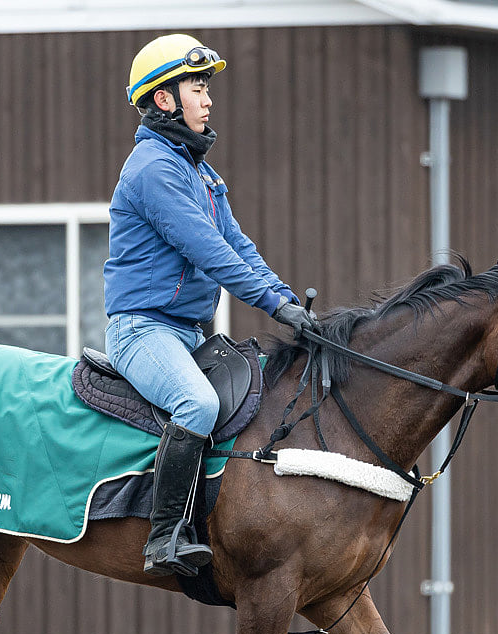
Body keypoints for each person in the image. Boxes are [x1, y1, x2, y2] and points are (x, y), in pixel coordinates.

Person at [104, 33, 315, 577]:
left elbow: (238, 246)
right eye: (197, 87)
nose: (208, 98)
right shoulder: (153, 169)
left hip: (190, 333)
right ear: (165, 99)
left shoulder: (200, 171)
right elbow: (208, 249)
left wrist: (289, 302)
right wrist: (273, 304)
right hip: (143, 331)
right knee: (196, 405)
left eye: (205, 88)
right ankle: (165, 535)